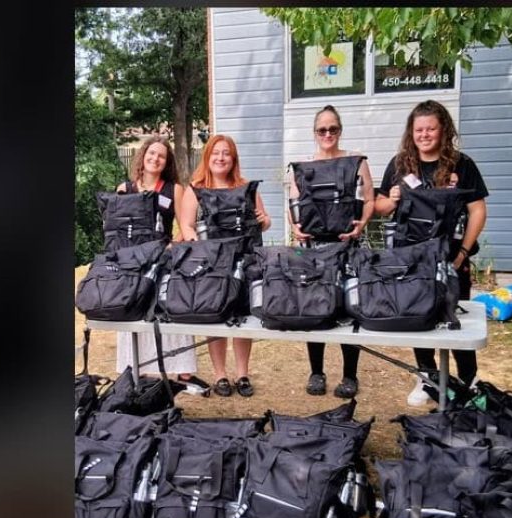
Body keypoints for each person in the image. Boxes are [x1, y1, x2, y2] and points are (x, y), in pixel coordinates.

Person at [374, 100, 488, 406]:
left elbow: (478, 210)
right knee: (417, 316)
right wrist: (392, 199)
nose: (424, 135)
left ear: (443, 130)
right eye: (418, 129)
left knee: (457, 319)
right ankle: (427, 378)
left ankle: (468, 381)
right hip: (410, 261)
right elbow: (379, 206)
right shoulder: (400, 164)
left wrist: (463, 252)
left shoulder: (462, 165)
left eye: (431, 129)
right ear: (411, 133)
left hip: (452, 258)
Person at [288, 105, 374, 398]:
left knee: (349, 309)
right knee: (314, 308)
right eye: (322, 129)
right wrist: (296, 228)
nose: (328, 134)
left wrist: (360, 224)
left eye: (333, 129)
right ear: (315, 133)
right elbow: (294, 204)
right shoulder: (303, 166)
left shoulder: (355, 162)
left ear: (340, 131)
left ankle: (350, 375)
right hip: (313, 247)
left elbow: (369, 199)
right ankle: (316, 372)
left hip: (347, 244)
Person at [112, 137, 210, 395]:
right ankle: (135, 369)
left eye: (161, 156)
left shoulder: (173, 189)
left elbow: (184, 224)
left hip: (163, 262)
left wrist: (172, 244)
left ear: (166, 162)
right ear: (143, 156)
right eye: (152, 153)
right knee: (134, 313)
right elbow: (116, 228)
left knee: (172, 310)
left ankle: (184, 371)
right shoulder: (125, 188)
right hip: (133, 265)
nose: (155, 159)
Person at [178, 134, 271, 397]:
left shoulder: (246, 187)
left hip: (245, 259)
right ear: (208, 156)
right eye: (216, 153)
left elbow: (264, 221)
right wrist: (192, 238)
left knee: (243, 316)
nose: (221, 158)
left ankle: (242, 373)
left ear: (233, 159)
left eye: (226, 153)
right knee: (216, 315)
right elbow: (186, 224)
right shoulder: (195, 188)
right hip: (212, 263)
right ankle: (220, 374)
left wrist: (264, 220)